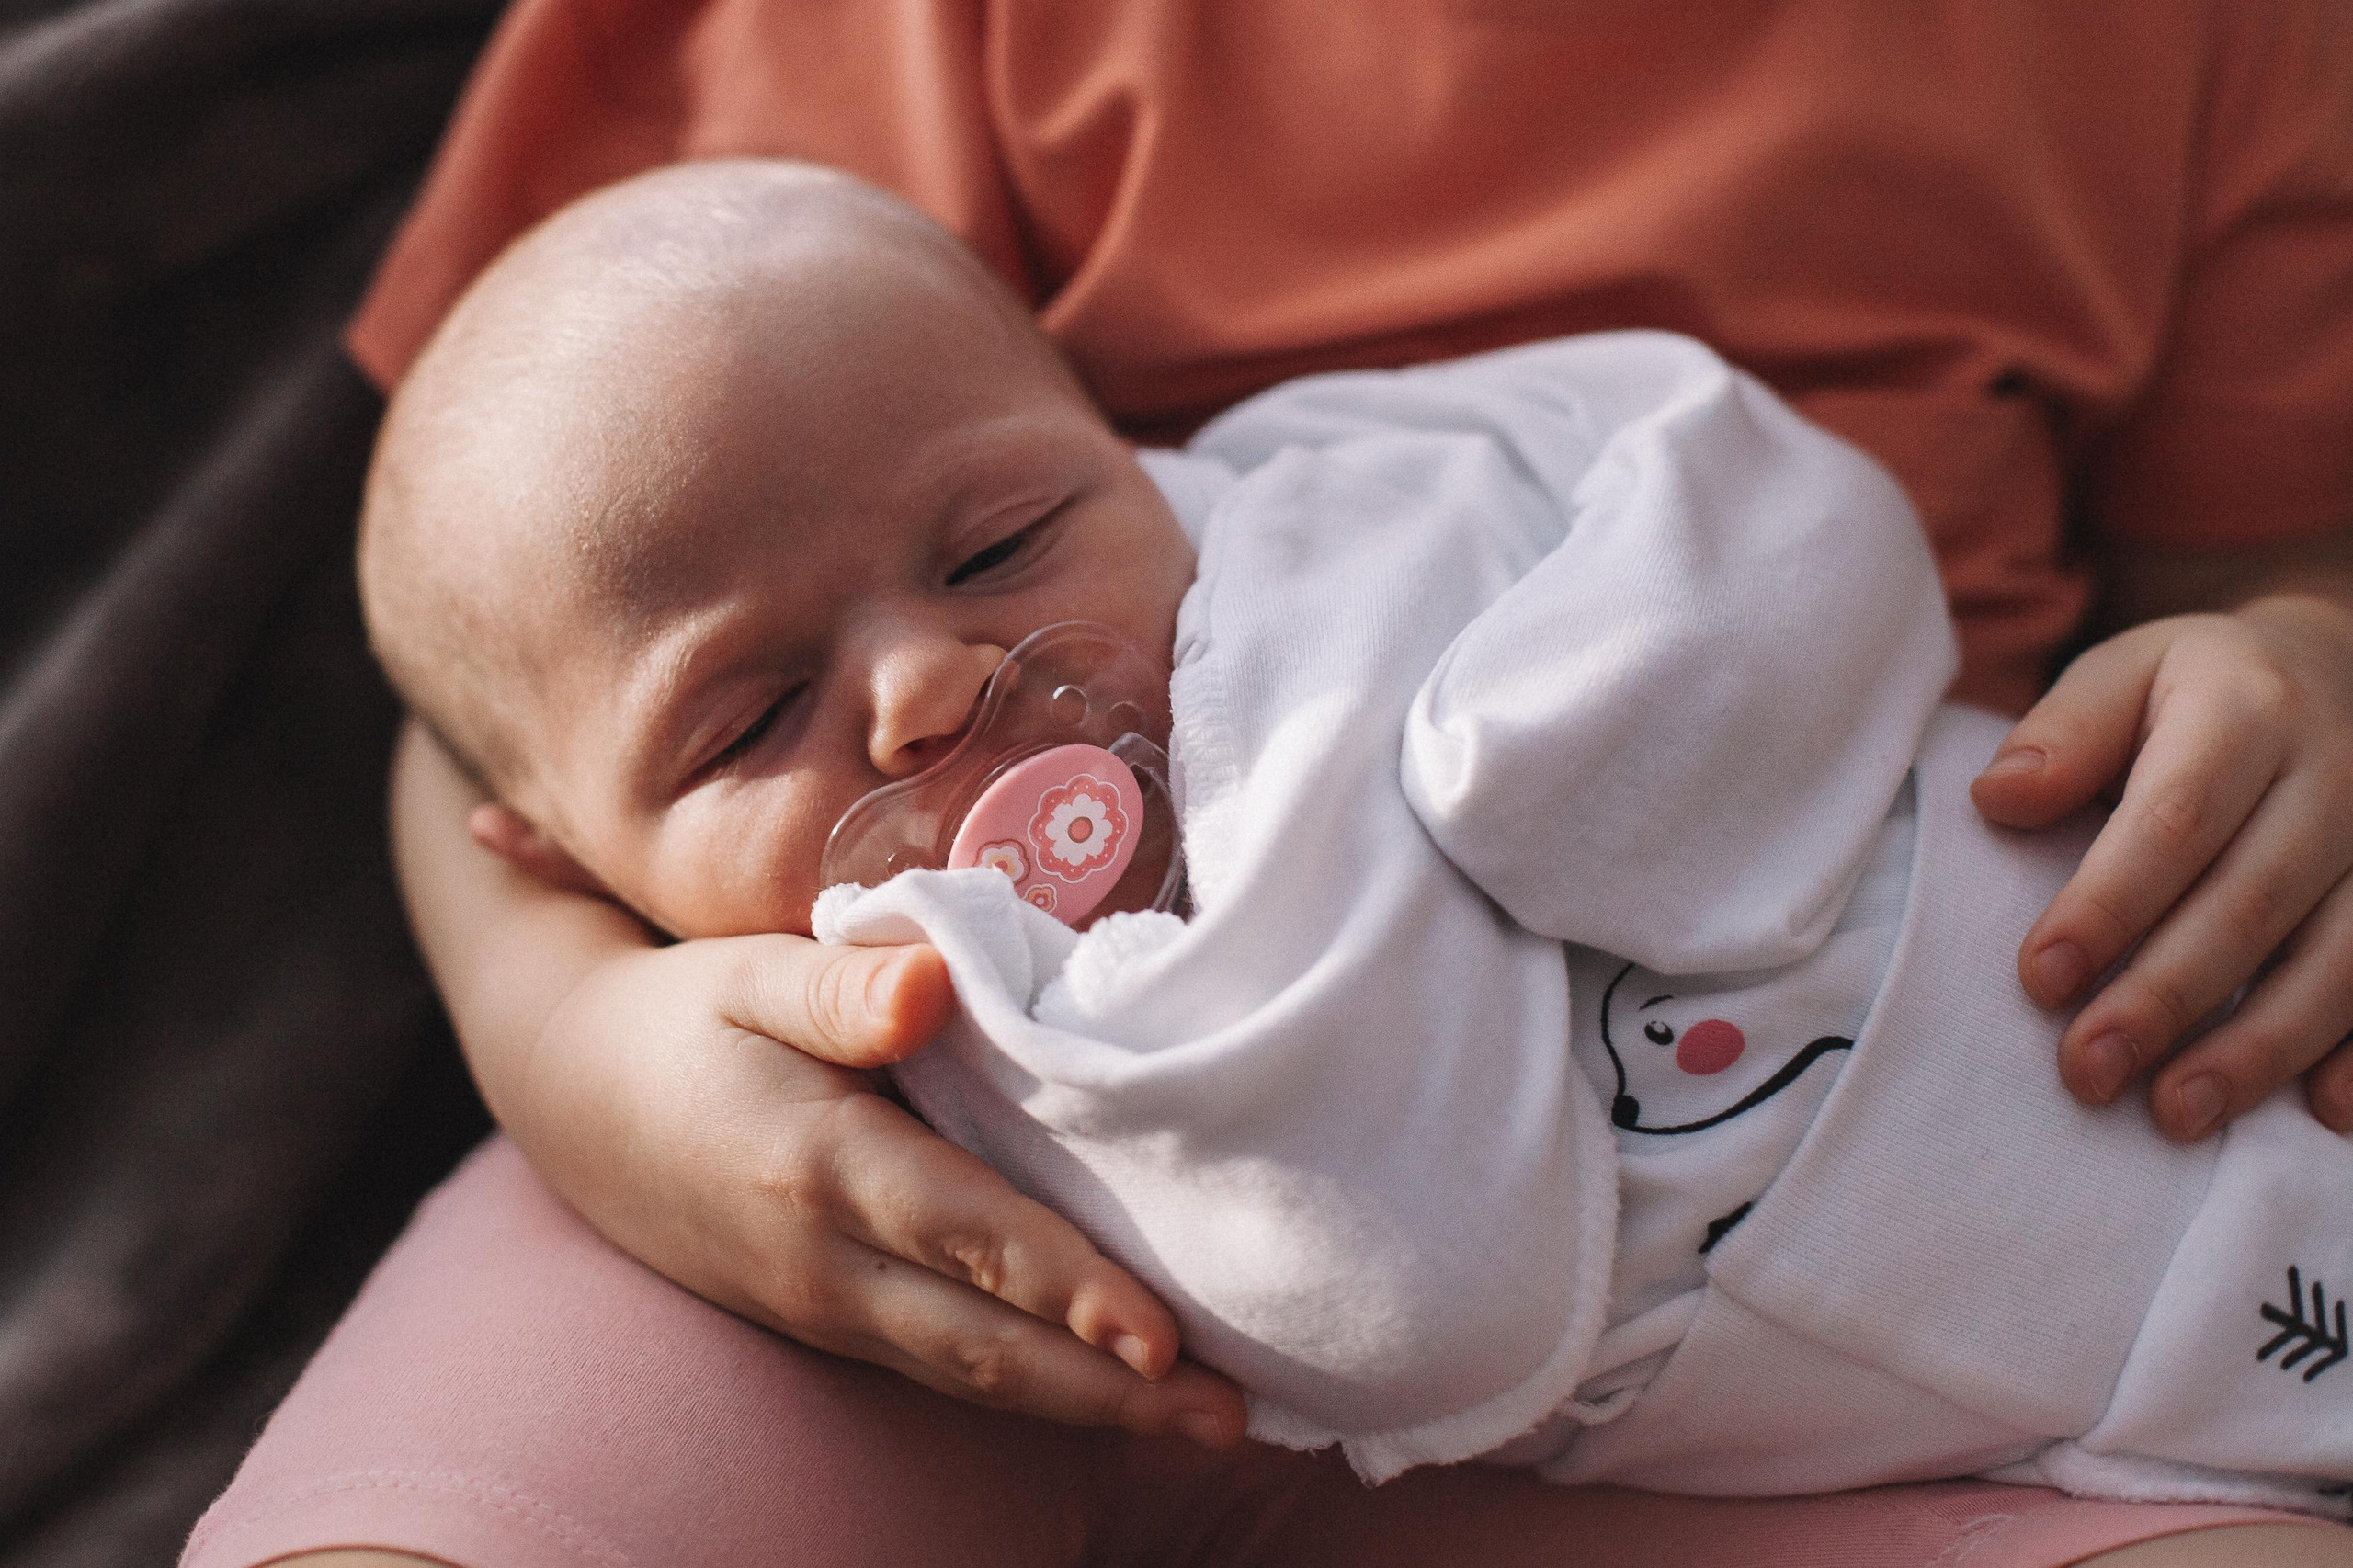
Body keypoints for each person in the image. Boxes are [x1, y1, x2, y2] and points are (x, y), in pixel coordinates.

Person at [190, 6, 2353, 1565]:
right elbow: (507, 672)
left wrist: (2291, 667)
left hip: (1812, 1247)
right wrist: (577, 1053)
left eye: (996, 558)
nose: (937, 679)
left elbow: (2262, 561)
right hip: (870, 1205)